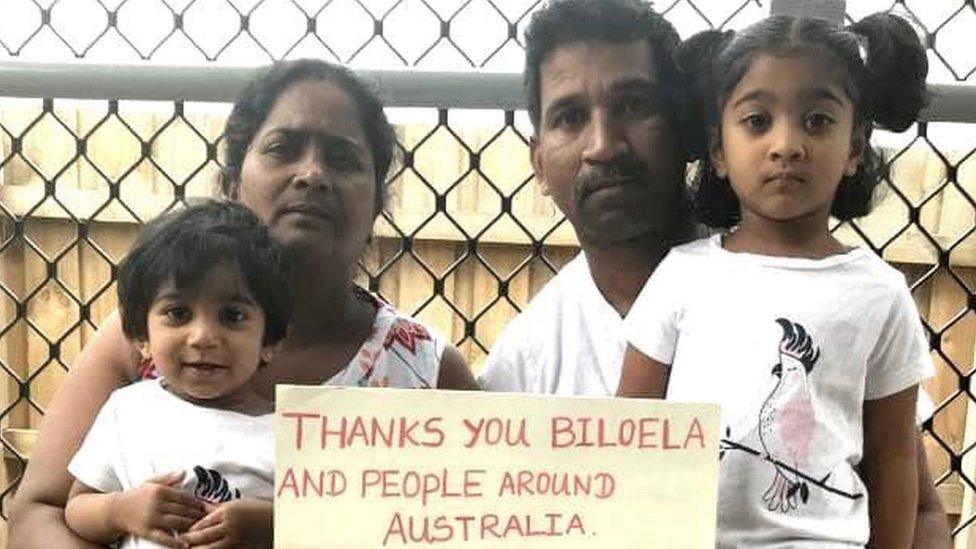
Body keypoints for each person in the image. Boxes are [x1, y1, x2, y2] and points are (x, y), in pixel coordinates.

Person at [479, 0, 951, 547]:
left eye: (634, 105)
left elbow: (915, 507)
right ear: (537, 159)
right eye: (569, 117)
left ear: (688, 130)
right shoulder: (523, 364)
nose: (603, 145)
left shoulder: (850, 293)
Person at [9, 59, 478, 548]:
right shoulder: (143, 341)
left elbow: (469, 533)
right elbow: (39, 514)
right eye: (283, 148)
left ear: (378, 201)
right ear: (233, 185)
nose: (313, 173)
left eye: (343, 158)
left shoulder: (425, 370)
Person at [617, 12, 932, 547]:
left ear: (855, 147)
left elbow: (893, 456)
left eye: (817, 120)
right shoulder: (683, 275)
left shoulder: (880, 293)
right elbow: (628, 431)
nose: (786, 144)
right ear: (718, 150)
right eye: (758, 121)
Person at [65, 200, 288, 548]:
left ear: (269, 340)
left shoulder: (290, 432)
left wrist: (270, 525)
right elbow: (77, 508)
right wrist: (120, 510)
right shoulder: (128, 411)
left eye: (232, 316)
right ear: (142, 336)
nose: (202, 337)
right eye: (178, 312)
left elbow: (331, 530)